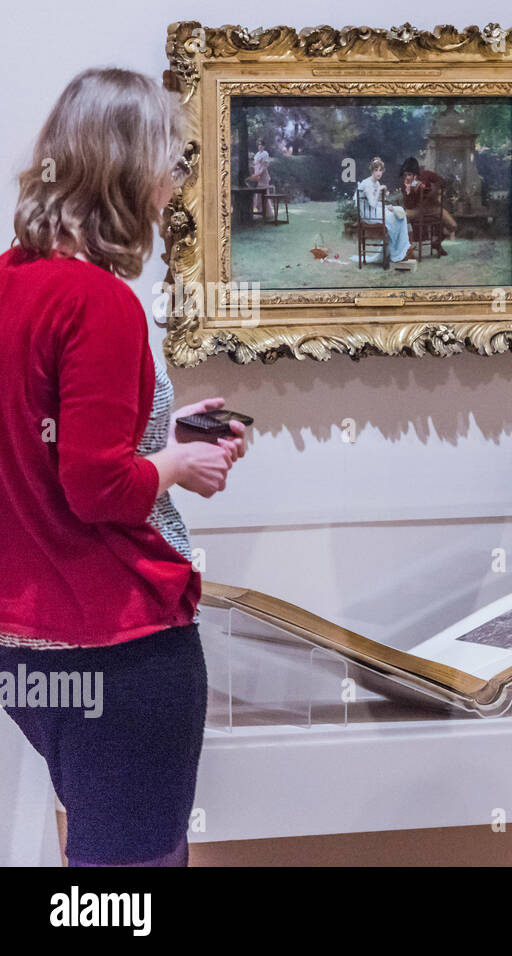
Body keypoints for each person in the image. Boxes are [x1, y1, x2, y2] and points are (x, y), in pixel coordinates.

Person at [0, 67, 247, 867]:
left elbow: (37, 447)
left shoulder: (11, 282)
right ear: (126, 168)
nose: (175, 184)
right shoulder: (98, 301)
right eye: (171, 161)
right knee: (132, 871)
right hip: (120, 643)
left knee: (93, 855)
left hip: (23, 644)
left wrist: (158, 435)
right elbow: (96, 486)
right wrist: (174, 464)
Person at [356, 157, 410, 265]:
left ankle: (399, 252)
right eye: (376, 170)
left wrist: (386, 206)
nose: (378, 173)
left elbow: (377, 203)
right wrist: (379, 190)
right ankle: (396, 253)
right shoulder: (367, 184)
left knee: (399, 211)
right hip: (369, 216)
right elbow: (372, 204)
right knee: (395, 218)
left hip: (374, 211)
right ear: (372, 171)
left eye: (380, 170)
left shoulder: (377, 183)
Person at [400, 156, 456, 251]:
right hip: (416, 210)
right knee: (402, 218)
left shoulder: (426, 174)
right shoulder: (405, 183)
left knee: (452, 225)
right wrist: (409, 192)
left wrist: (434, 189)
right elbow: (408, 205)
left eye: (409, 174)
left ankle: (437, 242)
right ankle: (406, 246)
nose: (407, 177)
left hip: (433, 207)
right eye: (405, 174)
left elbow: (442, 181)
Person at [246, 138, 270, 215]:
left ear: (264, 146)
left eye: (261, 145)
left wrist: (259, 173)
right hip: (257, 175)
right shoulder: (257, 154)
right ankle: (259, 211)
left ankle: (266, 213)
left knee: (263, 193)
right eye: (259, 145)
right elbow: (255, 165)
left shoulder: (265, 153)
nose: (260, 146)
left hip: (263, 175)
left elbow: (264, 166)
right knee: (257, 195)